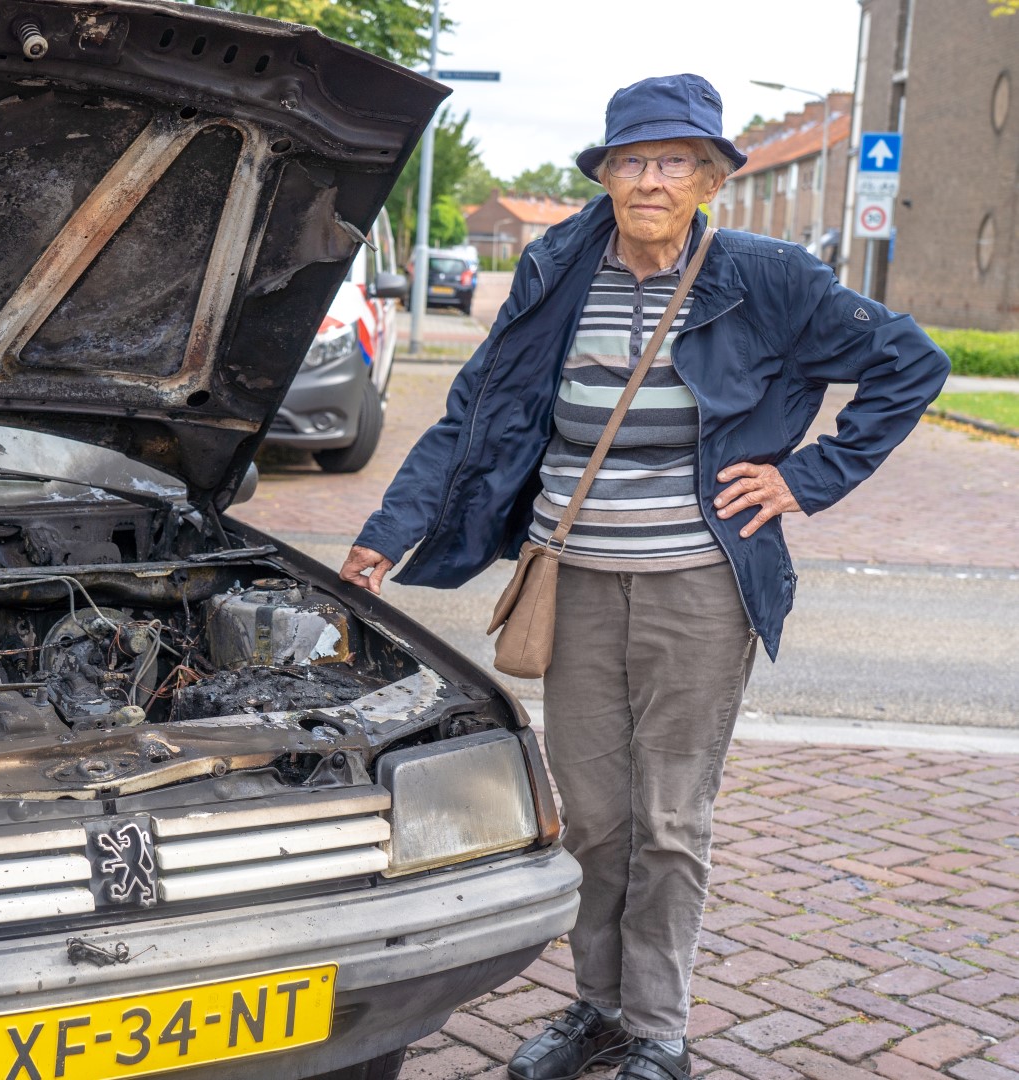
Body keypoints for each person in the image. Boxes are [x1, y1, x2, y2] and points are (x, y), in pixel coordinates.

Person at [339, 74, 948, 1080]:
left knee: (668, 819)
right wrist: (387, 531)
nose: (651, 180)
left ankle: (657, 1027)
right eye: (632, 160)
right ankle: (597, 1008)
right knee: (595, 817)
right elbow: (476, 410)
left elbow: (910, 362)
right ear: (606, 174)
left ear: (710, 177)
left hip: (698, 590)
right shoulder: (558, 270)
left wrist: (806, 478)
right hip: (573, 581)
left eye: (674, 161)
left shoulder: (766, 276)